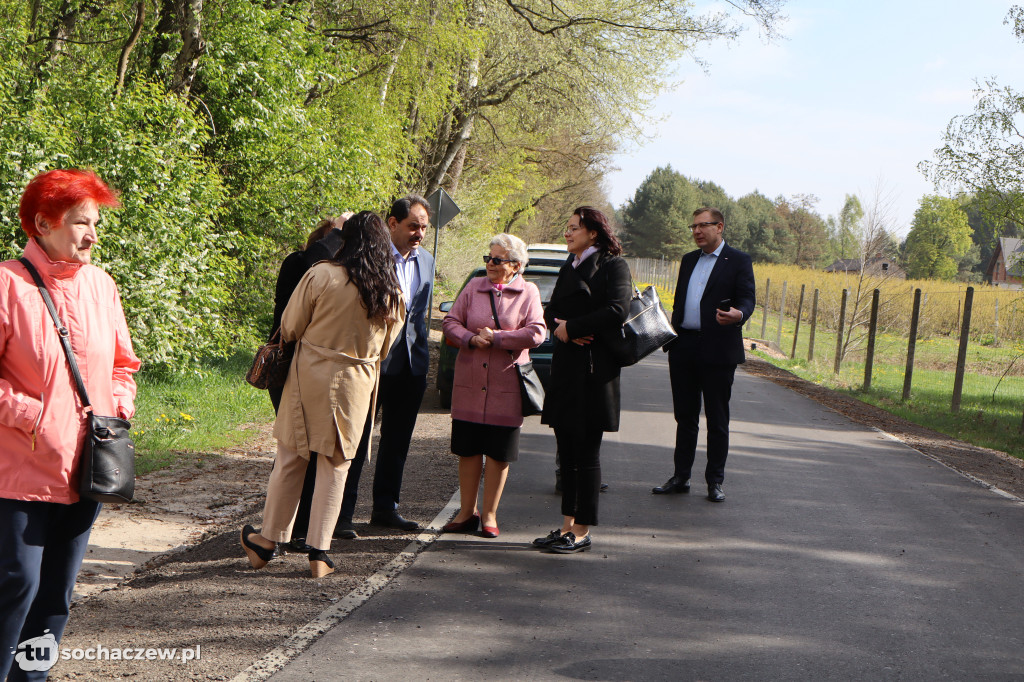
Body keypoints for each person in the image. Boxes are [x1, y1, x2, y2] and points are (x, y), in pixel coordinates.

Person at [0, 169, 141, 680]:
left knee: (56, 597)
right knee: (15, 587)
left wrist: (118, 408)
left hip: (88, 470)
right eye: (82, 222)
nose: (93, 234)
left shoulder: (102, 286)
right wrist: (33, 415)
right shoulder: (6, 284)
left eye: (95, 222)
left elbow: (123, 364)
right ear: (43, 222)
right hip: (18, 475)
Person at [241, 211, 404, 578]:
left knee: (292, 457)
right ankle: (320, 553)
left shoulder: (322, 275)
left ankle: (267, 542)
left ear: (346, 238)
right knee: (337, 463)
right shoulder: (391, 291)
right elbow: (386, 349)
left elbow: (290, 325)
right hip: (357, 381)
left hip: (310, 375)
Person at [532, 206, 631, 554]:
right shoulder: (568, 264)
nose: (567, 233)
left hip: (594, 371)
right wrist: (561, 327)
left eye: (574, 228)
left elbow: (618, 310)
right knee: (567, 452)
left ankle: (584, 529)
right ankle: (565, 527)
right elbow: (549, 309)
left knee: (586, 455)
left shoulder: (613, 265)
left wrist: (572, 327)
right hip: (566, 367)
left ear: (593, 232)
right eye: (567, 227)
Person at [335, 195, 435, 536]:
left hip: (412, 365)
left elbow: (420, 315)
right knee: (358, 439)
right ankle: (342, 514)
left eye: (423, 227)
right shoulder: (370, 259)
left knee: (397, 441)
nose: (419, 233)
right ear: (392, 224)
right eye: (412, 226)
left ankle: (385, 507)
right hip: (374, 363)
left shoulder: (428, 261)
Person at [441, 234, 545, 537]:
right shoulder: (474, 287)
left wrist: (498, 338)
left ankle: (489, 516)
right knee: (468, 449)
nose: (490, 264)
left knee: (499, 453)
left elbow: (537, 333)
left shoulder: (529, 292)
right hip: (470, 385)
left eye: (497, 260)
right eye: (488, 258)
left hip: (506, 388)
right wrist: (471, 338)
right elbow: (450, 322)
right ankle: (465, 513)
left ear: (515, 265)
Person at [652, 207, 755, 502]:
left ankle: (715, 481)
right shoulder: (688, 261)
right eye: (693, 226)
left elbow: (748, 297)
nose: (696, 231)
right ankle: (681, 476)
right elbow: (682, 301)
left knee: (717, 418)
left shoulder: (738, 261)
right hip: (684, 346)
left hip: (719, 349)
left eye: (703, 226)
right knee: (685, 417)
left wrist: (740, 314)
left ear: (719, 227)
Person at [268, 215, 350, 554]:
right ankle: (279, 531)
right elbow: (289, 322)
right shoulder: (299, 265)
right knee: (294, 449)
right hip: (288, 369)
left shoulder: (343, 277)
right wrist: (338, 234)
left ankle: (301, 532)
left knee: (314, 453)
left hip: (317, 372)